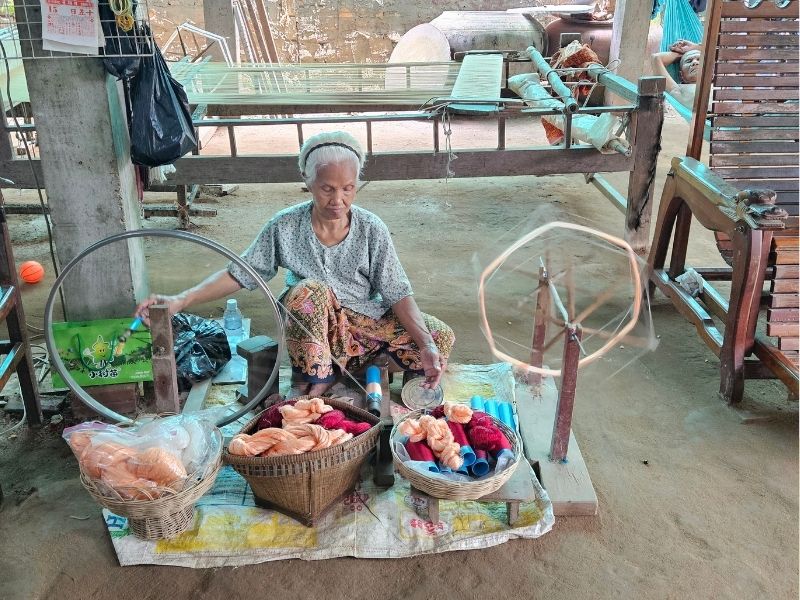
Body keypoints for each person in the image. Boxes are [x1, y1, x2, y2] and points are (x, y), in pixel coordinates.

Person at [135, 131, 454, 397]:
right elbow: (241, 273)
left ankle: (353, 368)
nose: (338, 200)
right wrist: (181, 300)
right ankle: (316, 380)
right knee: (309, 292)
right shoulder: (285, 226)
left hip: (361, 328)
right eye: (327, 188)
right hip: (312, 327)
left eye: (348, 188)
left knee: (439, 337)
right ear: (308, 180)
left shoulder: (372, 229)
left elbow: (397, 292)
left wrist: (425, 344)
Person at [651, 39, 701, 110]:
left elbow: (721, 52)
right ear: (681, 75)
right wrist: (682, 53)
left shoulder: (720, 84)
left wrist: (695, 47)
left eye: (699, 59)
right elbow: (656, 58)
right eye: (688, 61)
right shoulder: (677, 90)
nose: (695, 63)